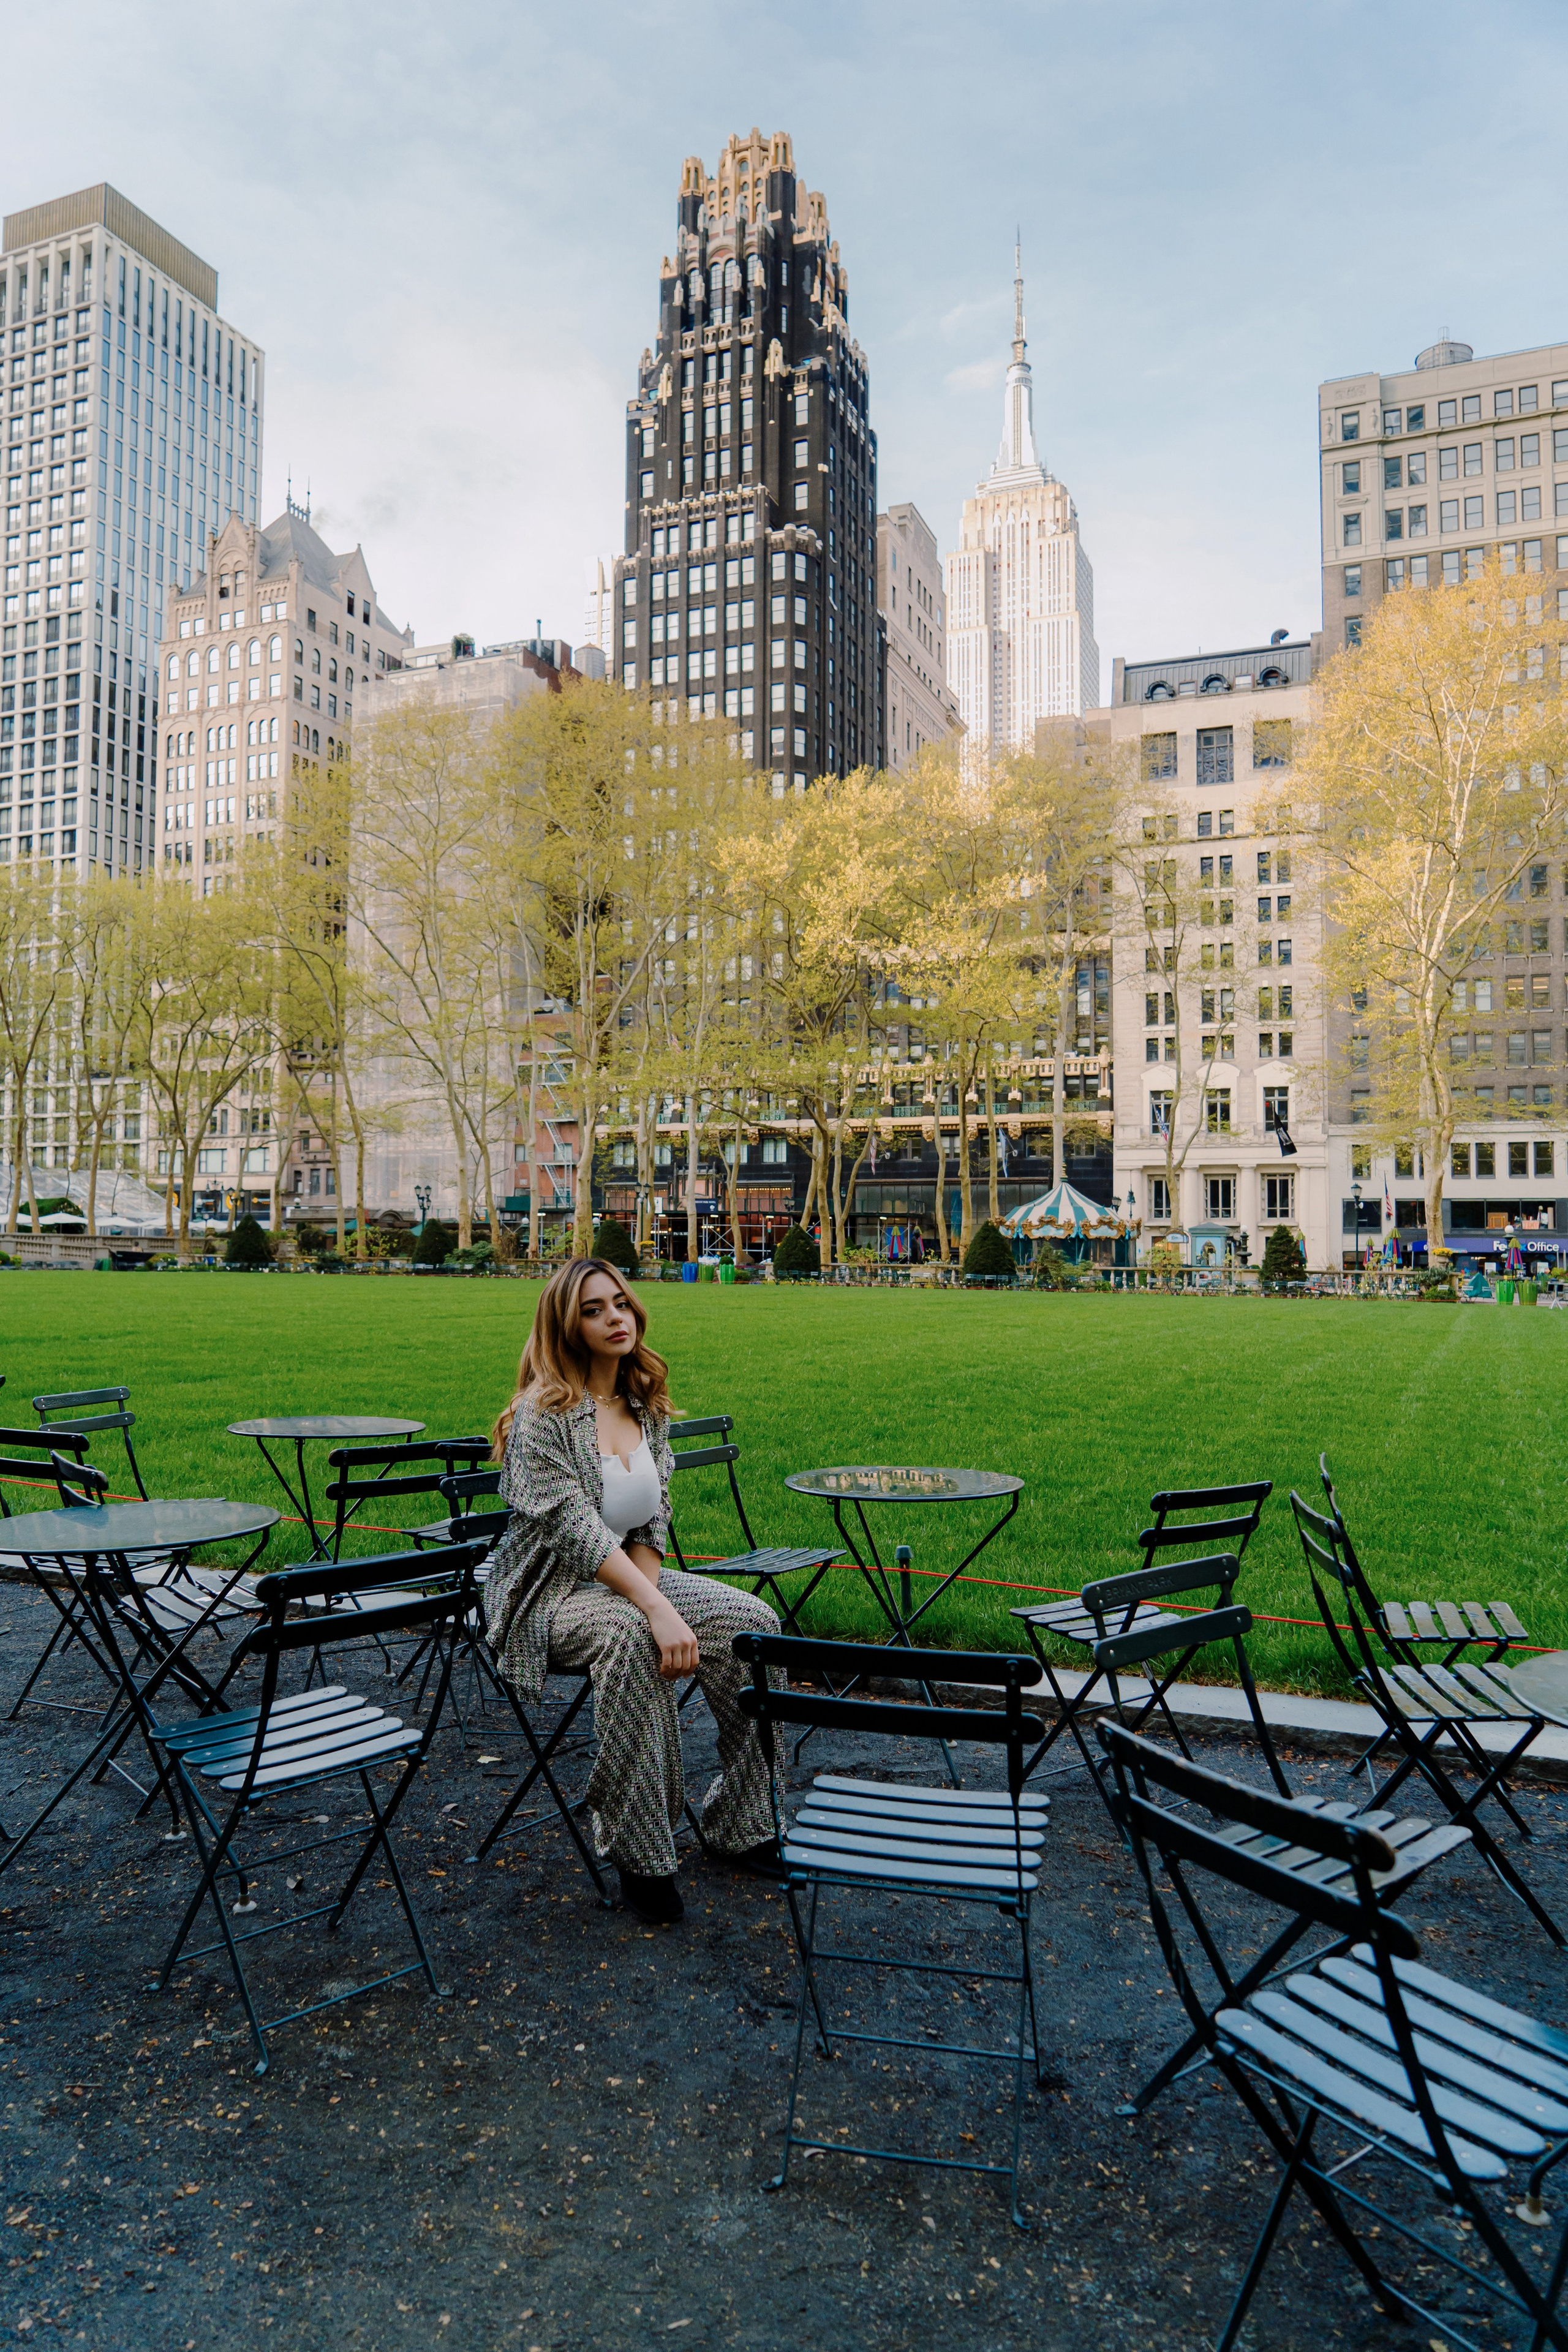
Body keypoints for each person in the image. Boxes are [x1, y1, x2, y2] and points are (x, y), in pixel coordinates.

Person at [484, 1256, 781, 1924]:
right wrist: (651, 1610)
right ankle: (642, 1853)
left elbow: (653, 1517)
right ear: (566, 1326)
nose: (613, 1318)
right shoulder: (543, 1417)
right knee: (630, 1636)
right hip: (545, 1593)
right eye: (592, 1310)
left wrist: (652, 1596)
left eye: (618, 1303)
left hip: (626, 1574)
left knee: (749, 1622)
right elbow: (575, 1532)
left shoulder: (645, 1403)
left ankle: (744, 1820)